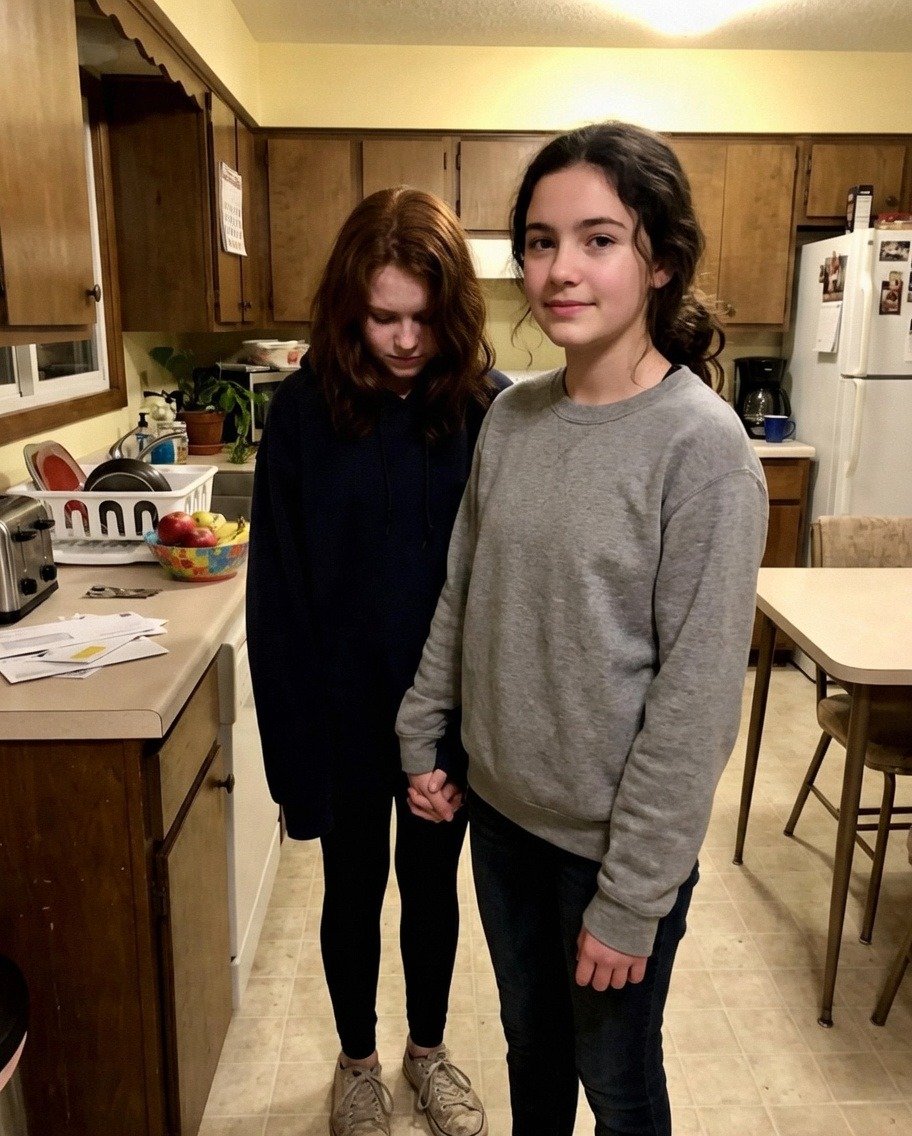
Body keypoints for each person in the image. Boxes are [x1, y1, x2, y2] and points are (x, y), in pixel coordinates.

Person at [396, 122, 768, 1136]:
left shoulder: (704, 451)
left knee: (617, 1084)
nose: (560, 269)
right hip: (500, 821)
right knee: (531, 1048)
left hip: (606, 854)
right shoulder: (513, 418)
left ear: (662, 260)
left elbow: (696, 704)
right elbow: (464, 592)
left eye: (598, 239)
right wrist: (422, 733)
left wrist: (634, 896)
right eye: (541, 241)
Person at [247, 186, 508, 1136]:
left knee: (433, 893)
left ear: (455, 312)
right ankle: (357, 1063)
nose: (404, 340)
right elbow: (278, 599)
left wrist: (477, 739)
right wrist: (295, 767)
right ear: (348, 307)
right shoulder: (302, 415)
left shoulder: (489, 412)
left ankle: (427, 1053)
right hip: (341, 717)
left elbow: (504, 593)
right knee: (352, 894)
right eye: (383, 317)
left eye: (424, 319)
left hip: (449, 726)